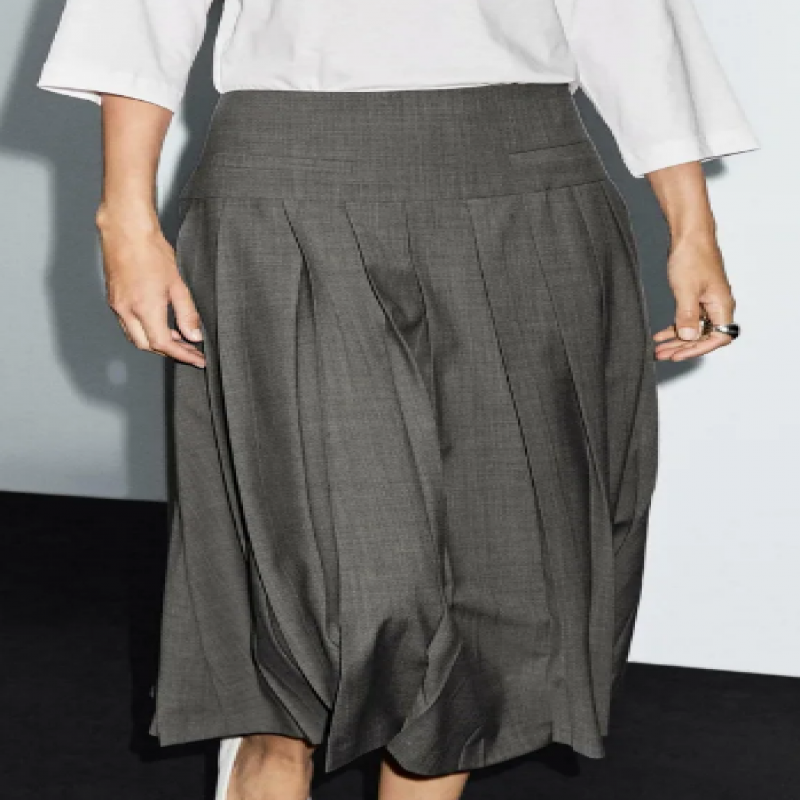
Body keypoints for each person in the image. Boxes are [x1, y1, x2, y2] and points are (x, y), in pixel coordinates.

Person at [37, 1, 758, 799]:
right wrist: (125, 218)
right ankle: (269, 742)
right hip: (290, 181)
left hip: (528, 183)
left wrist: (694, 229)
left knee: (503, 570)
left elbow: (629, 20)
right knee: (324, 563)